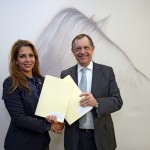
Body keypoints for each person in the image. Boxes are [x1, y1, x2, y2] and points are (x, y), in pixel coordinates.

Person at [60, 34, 123, 150]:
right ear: (73, 51)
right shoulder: (65, 74)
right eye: (78, 48)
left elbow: (117, 101)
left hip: (101, 137)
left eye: (86, 47)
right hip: (75, 138)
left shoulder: (107, 72)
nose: (82, 52)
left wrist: (96, 102)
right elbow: (62, 104)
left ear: (93, 49)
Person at [2, 39, 64, 150]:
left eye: (31, 55)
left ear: (35, 58)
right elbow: (19, 118)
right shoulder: (11, 83)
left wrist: (57, 120)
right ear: (16, 60)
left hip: (43, 144)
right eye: (22, 56)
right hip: (21, 145)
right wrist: (50, 126)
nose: (28, 60)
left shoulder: (43, 81)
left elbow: (50, 109)